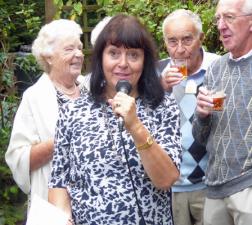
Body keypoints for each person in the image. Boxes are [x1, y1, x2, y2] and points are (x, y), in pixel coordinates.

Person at [48, 14, 182, 225]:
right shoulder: (72, 111)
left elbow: (166, 180)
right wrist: (62, 217)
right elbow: (59, 181)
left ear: (144, 61)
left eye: (133, 55)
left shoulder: (162, 107)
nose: (123, 63)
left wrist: (136, 126)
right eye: (114, 53)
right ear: (101, 58)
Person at [5, 19, 86, 210]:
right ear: (49, 57)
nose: (79, 55)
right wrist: (62, 141)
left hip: (97, 202)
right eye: (69, 49)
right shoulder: (34, 97)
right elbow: (18, 157)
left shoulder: (91, 89)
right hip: (55, 204)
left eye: (80, 48)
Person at [192, 0, 252, 224]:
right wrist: (202, 115)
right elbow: (200, 136)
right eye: (218, 19)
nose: (220, 25)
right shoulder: (216, 69)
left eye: (229, 17)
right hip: (215, 187)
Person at [158, 9, 220, 225]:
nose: (180, 49)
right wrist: (160, 89)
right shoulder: (157, 74)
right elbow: (141, 123)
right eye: (172, 42)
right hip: (170, 187)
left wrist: (212, 108)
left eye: (187, 40)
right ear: (165, 43)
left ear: (201, 39)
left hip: (211, 183)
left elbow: (227, 118)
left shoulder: (219, 68)